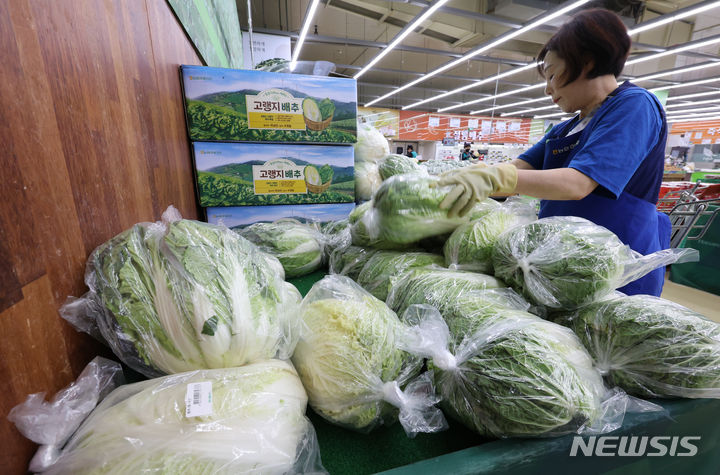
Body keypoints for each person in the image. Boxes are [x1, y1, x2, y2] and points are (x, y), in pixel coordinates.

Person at [435, 8, 669, 297]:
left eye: (552, 75)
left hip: (617, 272)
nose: (547, 90)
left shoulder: (634, 105)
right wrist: (460, 183)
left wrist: (496, 178)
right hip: (562, 266)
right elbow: (520, 167)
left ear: (587, 63)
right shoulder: (566, 129)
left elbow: (577, 183)